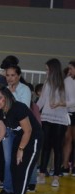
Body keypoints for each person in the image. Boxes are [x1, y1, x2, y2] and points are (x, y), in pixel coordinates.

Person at [0, 65, 32, 194]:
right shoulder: (4, 90)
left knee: (18, 160)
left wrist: (9, 98)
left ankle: (16, 190)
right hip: (7, 128)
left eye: (12, 75)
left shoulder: (24, 90)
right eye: (7, 75)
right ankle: (7, 188)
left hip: (21, 130)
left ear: (19, 76)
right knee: (7, 160)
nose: (10, 78)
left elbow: (23, 109)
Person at [37, 58, 69, 187]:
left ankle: (56, 176)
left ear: (53, 69)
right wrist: (32, 111)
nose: (46, 72)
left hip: (60, 120)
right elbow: (41, 101)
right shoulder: (47, 83)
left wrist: (60, 103)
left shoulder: (65, 83)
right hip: (46, 118)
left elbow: (70, 102)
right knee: (45, 147)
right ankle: (42, 174)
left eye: (47, 69)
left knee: (57, 148)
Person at [61, 60, 75, 176]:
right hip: (68, 113)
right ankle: (65, 165)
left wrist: (64, 103)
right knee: (67, 138)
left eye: (71, 69)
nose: (69, 71)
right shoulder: (67, 81)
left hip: (69, 109)